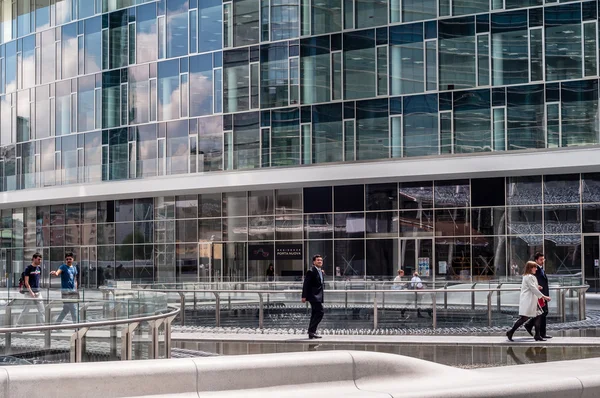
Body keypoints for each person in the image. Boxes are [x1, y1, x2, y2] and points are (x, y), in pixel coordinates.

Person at [506, 261, 551, 342]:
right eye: (535, 267)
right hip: (529, 300)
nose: (536, 269)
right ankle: (511, 332)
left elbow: (533, 286)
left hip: (532, 300)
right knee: (524, 318)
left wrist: (538, 286)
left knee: (538, 315)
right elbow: (532, 288)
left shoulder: (530, 277)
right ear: (530, 268)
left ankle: (537, 335)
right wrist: (544, 296)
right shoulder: (529, 277)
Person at [524, 252, 551, 339]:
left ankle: (538, 331)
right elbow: (533, 283)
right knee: (542, 313)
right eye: (541, 259)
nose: (543, 261)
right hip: (540, 295)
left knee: (543, 313)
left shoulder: (541, 269)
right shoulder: (535, 270)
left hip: (543, 294)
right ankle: (537, 331)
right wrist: (542, 295)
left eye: (543, 259)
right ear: (536, 260)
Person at [16, 253, 46, 326]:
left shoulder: (39, 268)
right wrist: (31, 292)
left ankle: (42, 327)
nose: (40, 261)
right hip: (29, 293)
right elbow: (26, 282)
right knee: (26, 310)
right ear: (34, 258)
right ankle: (18, 325)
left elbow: (37, 279)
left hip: (38, 292)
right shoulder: (28, 268)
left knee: (42, 310)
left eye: (41, 259)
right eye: (39, 259)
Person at [50, 252, 79, 324]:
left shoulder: (74, 268)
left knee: (66, 309)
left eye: (70, 259)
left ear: (73, 259)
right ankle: (77, 326)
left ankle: (57, 324)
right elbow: (57, 273)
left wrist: (76, 290)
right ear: (65, 260)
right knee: (73, 308)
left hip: (73, 291)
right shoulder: (63, 267)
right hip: (65, 292)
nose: (68, 260)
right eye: (67, 259)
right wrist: (55, 273)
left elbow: (75, 280)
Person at [301, 254, 325, 339]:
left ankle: (311, 332)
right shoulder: (311, 271)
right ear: (314, 262)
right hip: (313, 296)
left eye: (321, 260)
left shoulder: (320, 271)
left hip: (318, 296)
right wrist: (304, 296)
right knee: (320, 312)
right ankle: (311, 331)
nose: (320, 261)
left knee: (314, 314)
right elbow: (306, 284)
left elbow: (320, 283)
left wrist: (322, 274)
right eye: (318, 260)